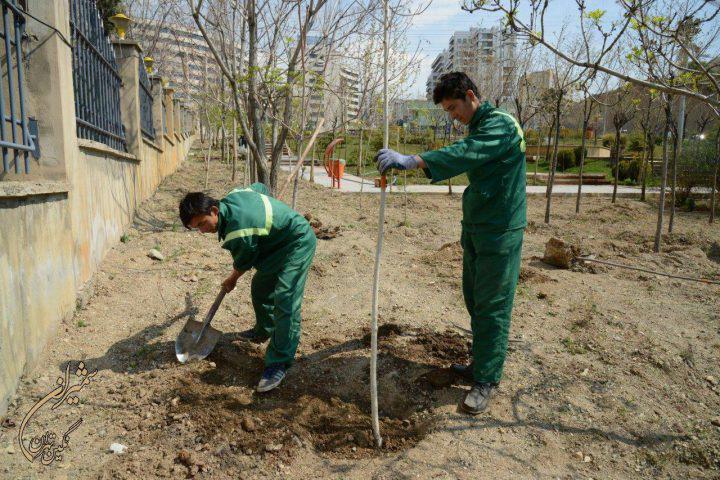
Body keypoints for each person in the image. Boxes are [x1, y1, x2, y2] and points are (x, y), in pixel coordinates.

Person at [375, 72, 526, 414]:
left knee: (493, 306)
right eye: (447, 110)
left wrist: (414, 160)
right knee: (475, 299)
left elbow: (466, 153)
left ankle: (486, 379)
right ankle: (480, 363)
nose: (452, 116)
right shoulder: (480, 126)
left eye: (454, 107)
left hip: (500, 231)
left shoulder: (501, 125)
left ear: (471, 96)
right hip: (477, 227)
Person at [179, 182, 317, 392]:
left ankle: (278, 362)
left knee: (285, 297)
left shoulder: (239, 231)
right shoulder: (236, 194)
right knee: (261, 288)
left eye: (202, 224)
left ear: (214, 211)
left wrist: (232, 279)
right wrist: (267, 207)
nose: (202, 231)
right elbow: (260, 187)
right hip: (274, 245)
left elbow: (244, 261)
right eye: (196, 227)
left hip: (296, 241)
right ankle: (264, 330)